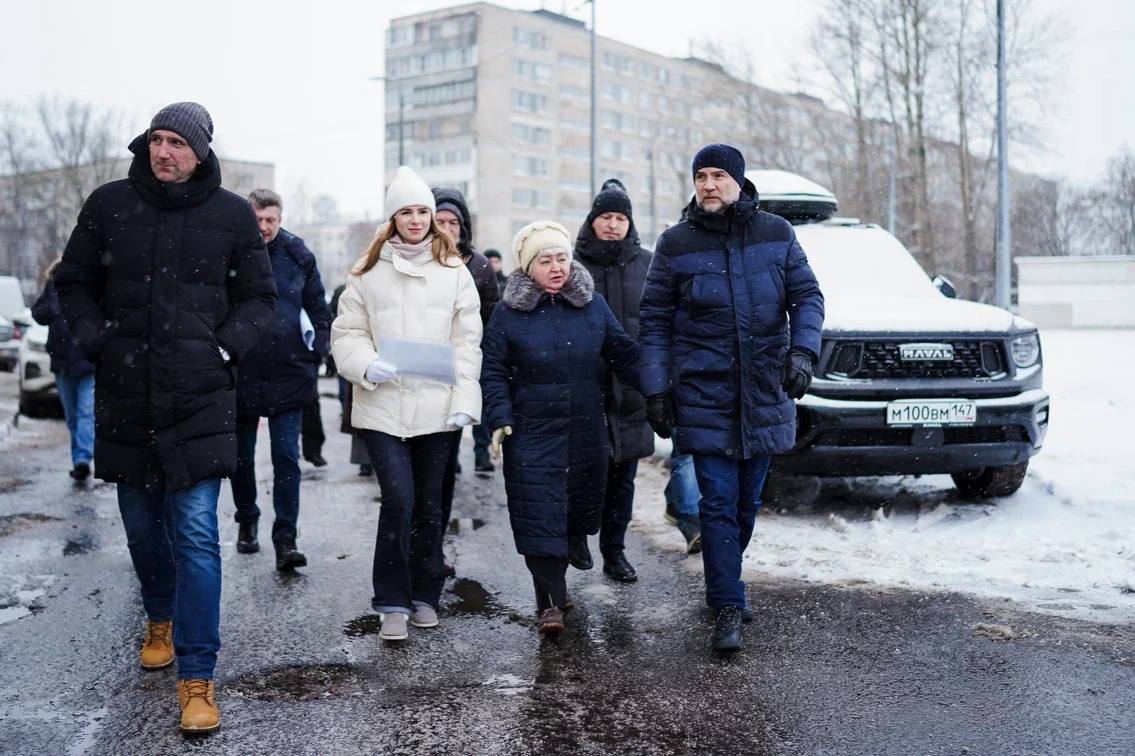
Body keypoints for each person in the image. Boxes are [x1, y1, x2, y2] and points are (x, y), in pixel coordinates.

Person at [55, 102, 276, 733]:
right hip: (127, 394)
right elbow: (72, 284)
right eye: (156, 139)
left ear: (201, 151)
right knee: (144, 531)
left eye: (176, 141)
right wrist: (100, 340)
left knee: (198, 535)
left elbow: (260, 297)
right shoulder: (108, 205)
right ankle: (160, 614)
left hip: (201, 398)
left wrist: (226, 346)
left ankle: (198, 677)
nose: (163, 151)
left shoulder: (233, 215)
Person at [638, 144, 824, 652]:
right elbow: (653, 320)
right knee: (718, 504)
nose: (709, 184)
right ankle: (726, 604)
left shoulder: (776, 234)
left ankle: (725, 577)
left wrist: (804, 351)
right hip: (703, 391)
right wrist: (656, 389)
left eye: (719, 175)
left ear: (738, 181)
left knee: (745, 506)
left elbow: (807, 296)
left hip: (765, 389)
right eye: (701, 176)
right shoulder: (676, 244)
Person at [331, 166, 482, 643]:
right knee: (399, 499)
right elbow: (347, 333)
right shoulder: (367, 273)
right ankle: (392, 601)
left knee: (430, 506)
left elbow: (467, 343)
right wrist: (365, 364)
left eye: (422, 211)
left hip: (438, 408)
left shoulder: (456, 273)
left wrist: (465, 401)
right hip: (382, 406)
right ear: (392, 218)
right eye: (406, 212)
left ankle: (425, 595)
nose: (415, 219)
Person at [481, 221, 641, 635]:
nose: (556, 267)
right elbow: (493, 371)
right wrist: (499, 419)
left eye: (562, 258)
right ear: (528, 267)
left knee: (578, 507)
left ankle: (562, 570)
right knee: (539, 512)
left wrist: (661, 386)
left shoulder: (593, 306)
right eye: (545, 260)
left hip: (585, 427)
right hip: (531, 430)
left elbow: (623, 353)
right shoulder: (507, 313)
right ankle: (549, 602)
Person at [231, 189, 332, 570]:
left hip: (290, 371)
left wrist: (318, 348)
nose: (265, 227)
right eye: (258, 220)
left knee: (286, 458)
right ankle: (247, 521)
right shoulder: (232, 250)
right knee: (239, 458)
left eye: (271, 220)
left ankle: (285, 538)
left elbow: (318, 307)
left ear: (280, 217)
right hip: (241, 371)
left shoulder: (298, 254)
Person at [573, 178, 654, 583]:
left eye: (620, 217)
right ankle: (579, 536)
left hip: (631, 389)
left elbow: (657, 323)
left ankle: (615, 551)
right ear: (592, 220)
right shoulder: (572, 265)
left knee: (623, 478)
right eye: (606, 216)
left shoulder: (649, 264)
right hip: (584, 387)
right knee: (586, 471)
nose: (613, 224)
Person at [432, 186, 500, 482]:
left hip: (468, 356)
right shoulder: (416, 260)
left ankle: (479, 454)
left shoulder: (479, 265)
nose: (447, 229)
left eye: (454, 223)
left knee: (469, 410)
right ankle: (447, 464)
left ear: (464, 228)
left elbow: (491, 314)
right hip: (427, 359)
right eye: (440, 222)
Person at [31, 257, 95, 482]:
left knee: (86, 412)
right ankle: (79, 457)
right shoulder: (53, 287)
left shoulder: (90, 286)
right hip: (63, 364)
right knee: (72, 417)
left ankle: (82, 460)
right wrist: (53, 305)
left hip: (87, 363)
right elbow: (38, 314)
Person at [330, 282, 372, 477]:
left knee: (360, 409)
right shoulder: (357, 287)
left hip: (361, 356)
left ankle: (365, 462)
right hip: (363, 356)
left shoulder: (349, 288)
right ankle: (365, 461)